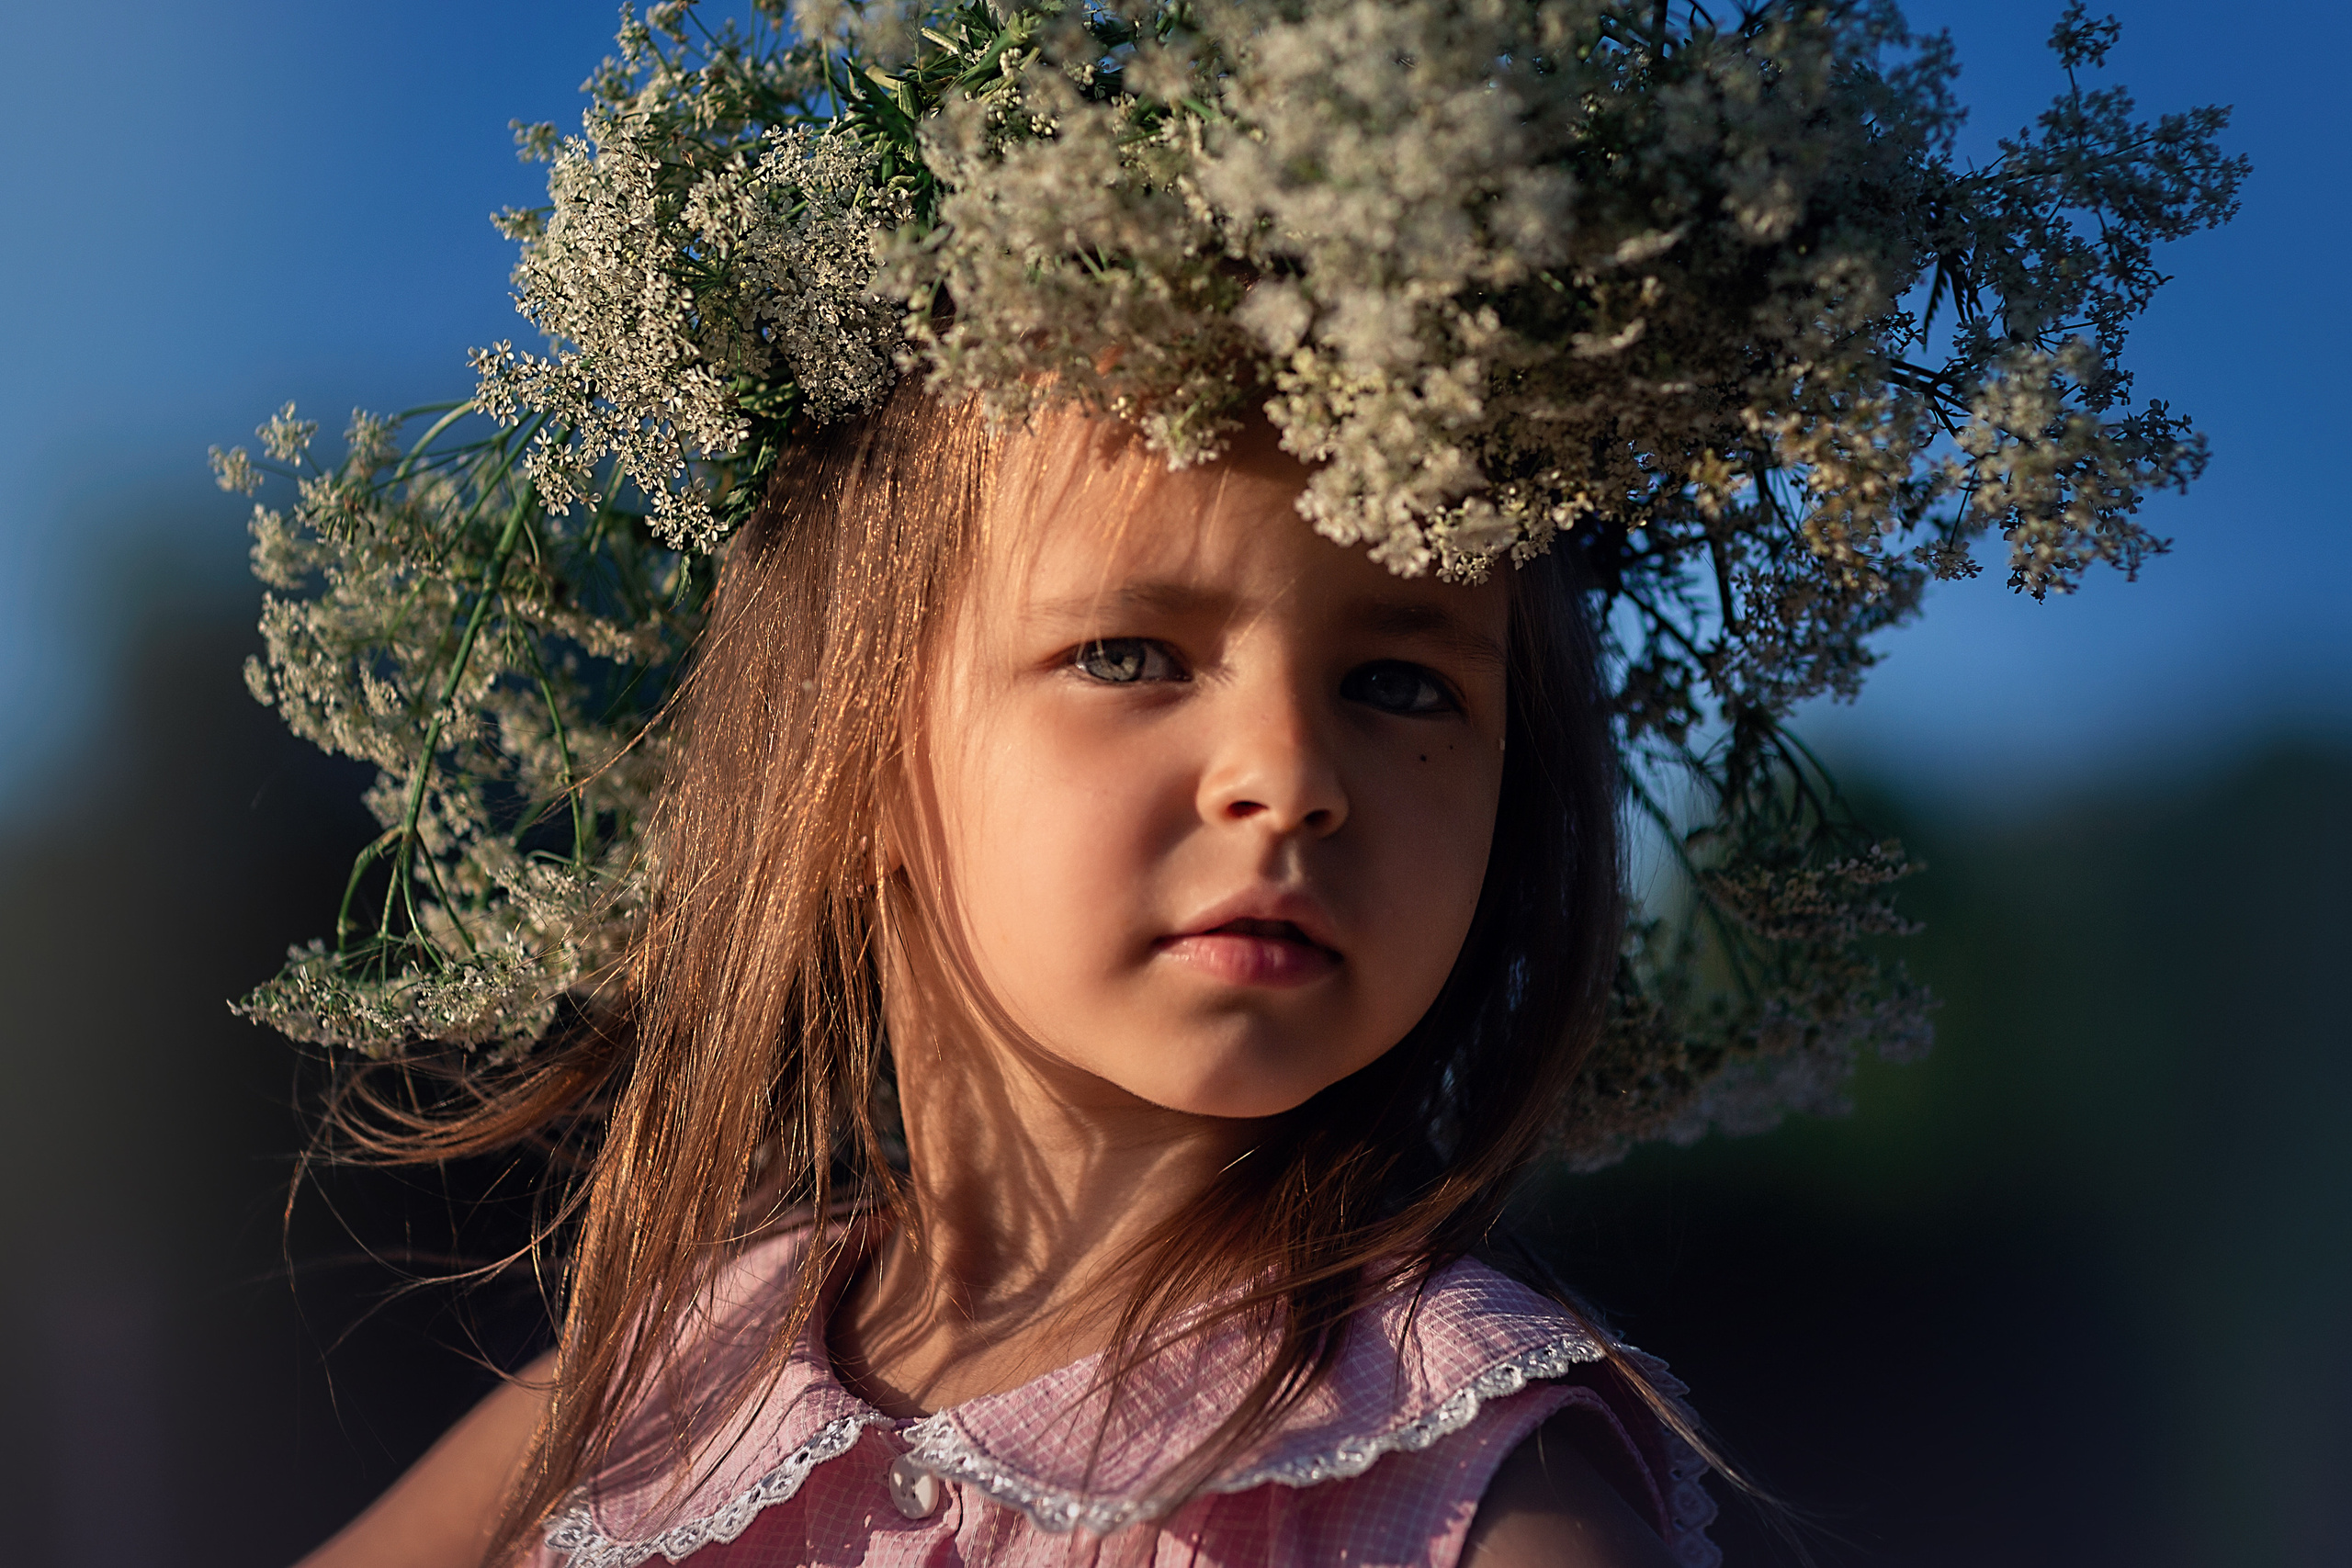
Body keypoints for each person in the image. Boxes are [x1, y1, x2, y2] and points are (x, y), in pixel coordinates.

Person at [292, 391, 1723, 1567]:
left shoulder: (1465, 1474)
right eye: (1128, 653)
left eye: (1402, 684)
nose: (1288, 777)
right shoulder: (668, 1382)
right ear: (841, 763)